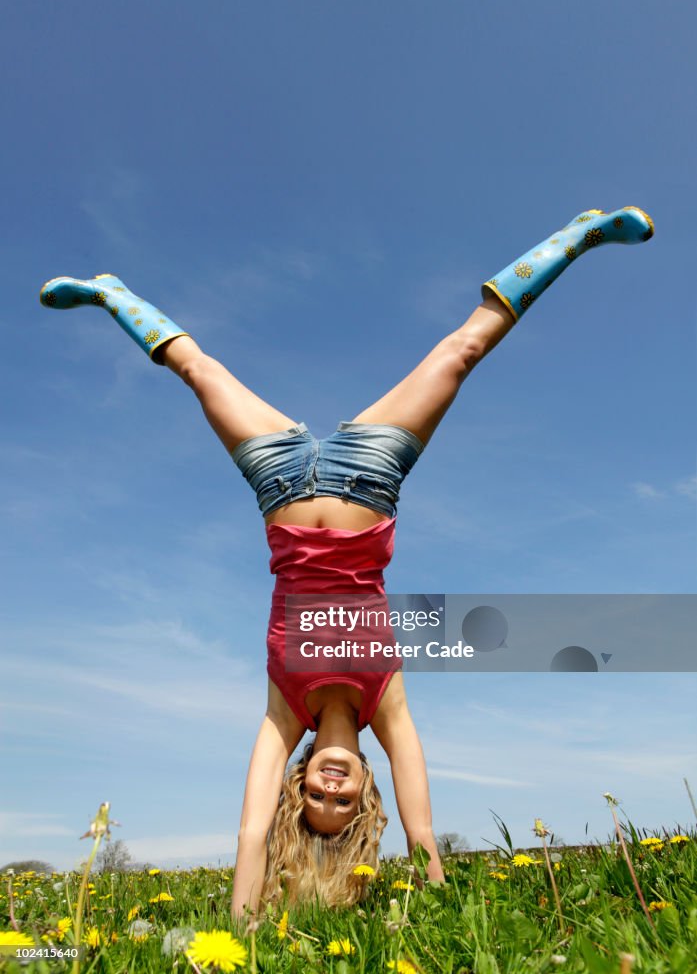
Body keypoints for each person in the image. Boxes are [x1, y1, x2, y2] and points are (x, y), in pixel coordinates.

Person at [39, 205, 654, 915]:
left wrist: (238, 939)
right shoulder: (386, 702)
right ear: (366, 785)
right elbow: (420, 829)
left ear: (296, 787)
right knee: (461, 351)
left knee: (197, 370)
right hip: (369, 475)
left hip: (279, 480)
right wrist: (438, 914)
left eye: (315, 800)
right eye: (344, 800)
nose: (331, 790)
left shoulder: (282, 713)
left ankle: (111, 291)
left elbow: (248, 833)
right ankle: (576, 236)